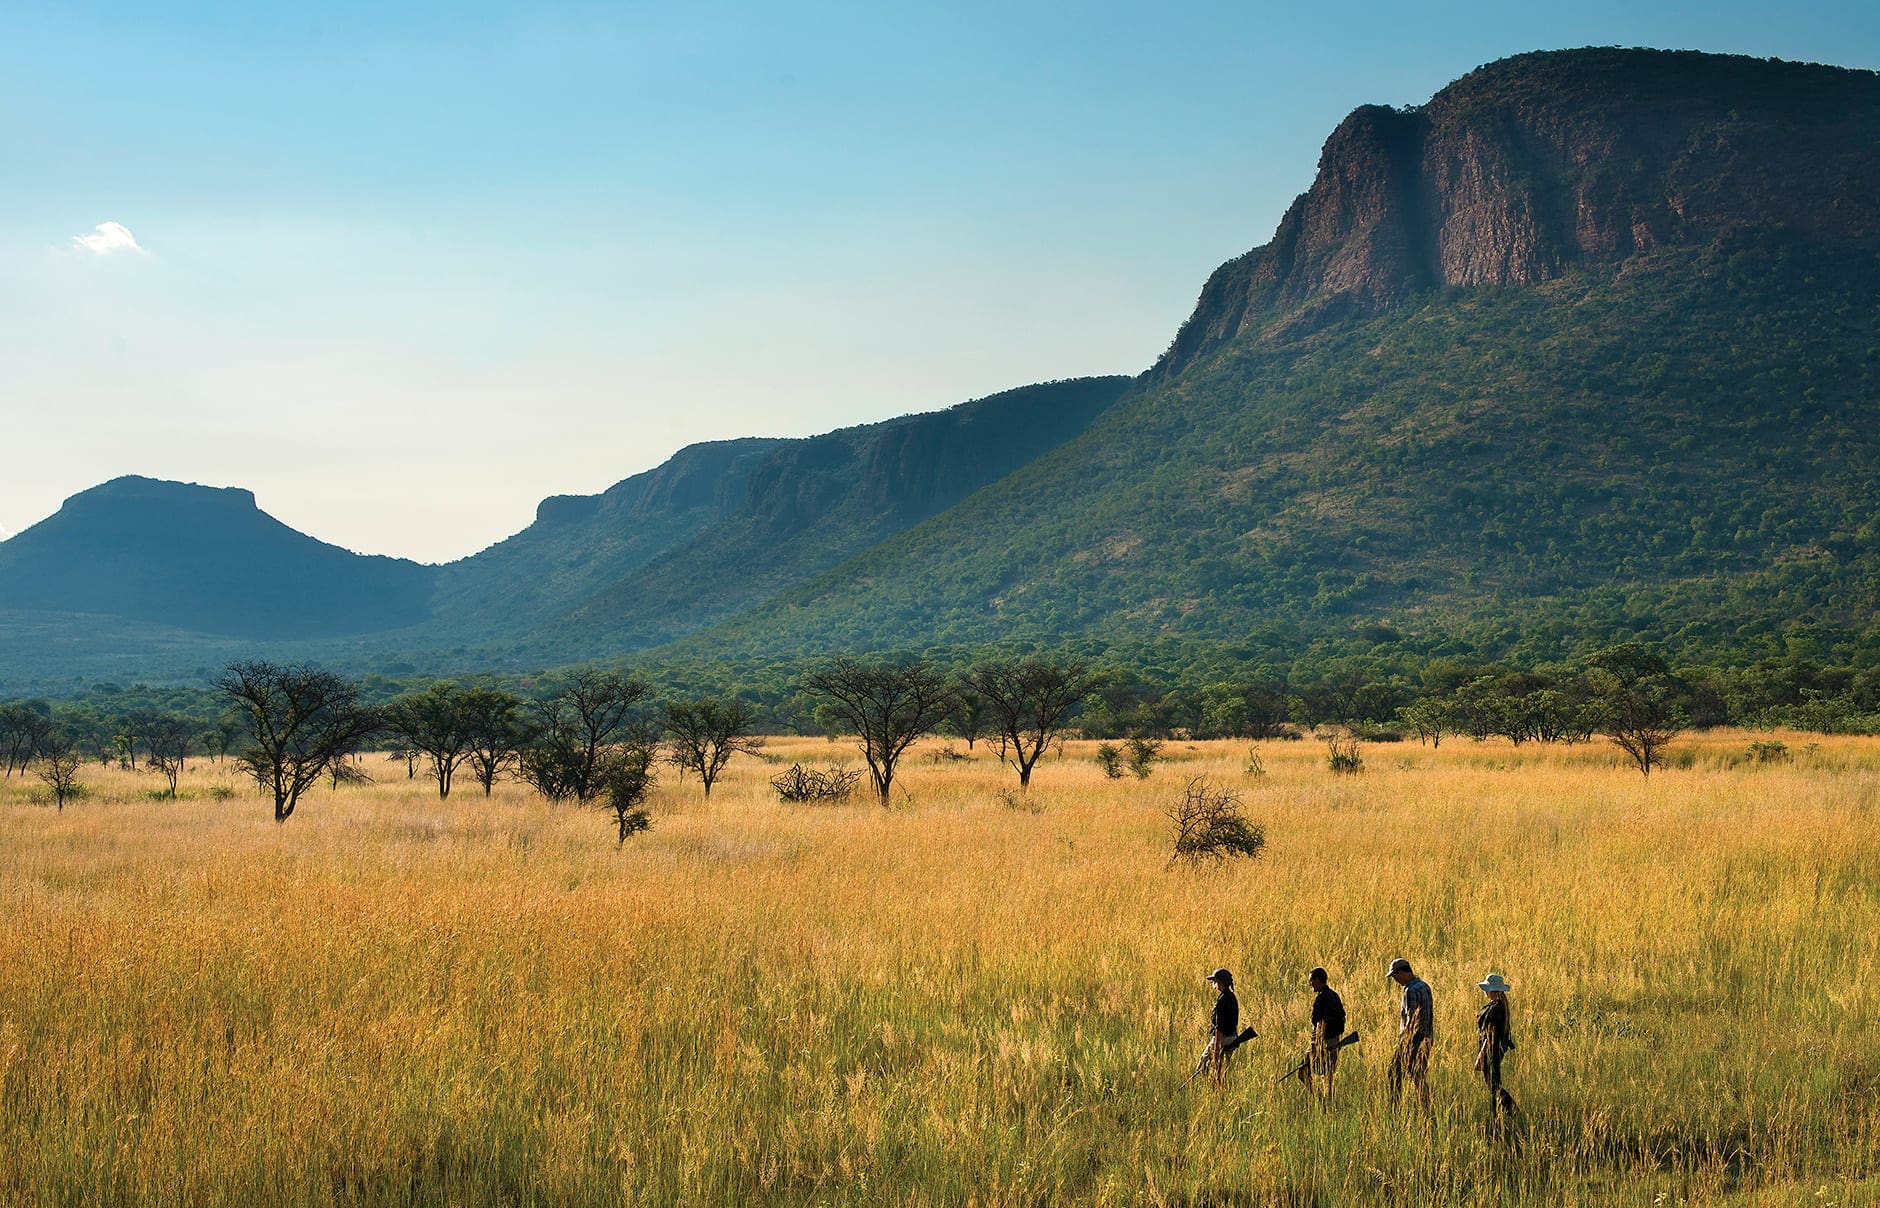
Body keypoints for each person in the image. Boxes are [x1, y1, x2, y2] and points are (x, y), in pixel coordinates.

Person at [1387, 957, 1433, 1110]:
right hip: (1426, 1038)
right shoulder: (1424, 986)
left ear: (1401, 972)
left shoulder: (1410, 990)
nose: (1395, 980)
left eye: (1395, 976)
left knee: (1393, 1073)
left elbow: (1411, 1020)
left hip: (1412, 1040)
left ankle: (1395, 1108)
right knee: (1418, 1076)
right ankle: (1426, 1108)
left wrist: (1404, 1043)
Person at [1475, 972, 1516, 1128]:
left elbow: (1490, 1035)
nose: (1486, 991)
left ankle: (1508, 1111)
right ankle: (1501, 1113)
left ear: (1494, 991)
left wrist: (1481, 1055)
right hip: (1495, 1050)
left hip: (1491, 1051)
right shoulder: (1498, 1006)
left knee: (1493, 1085)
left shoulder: (1496, 1008)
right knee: (1493, 1084)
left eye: (1488, 989)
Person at [1302, 967, 1345, 1104]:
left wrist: (1316, 1043)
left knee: (1302, 1070)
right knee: (1328, 1075)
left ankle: (1318, 1099)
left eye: (1311, 980)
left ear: (1317, 979)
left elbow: (1317, 1022)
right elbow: (1342, 1017)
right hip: (1335, 1040)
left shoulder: (1320, 998)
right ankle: (1328, 1102)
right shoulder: (1334, 995)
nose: (1310, 984)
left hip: (1321, 1042)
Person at [1206, 967, 1240, 1086]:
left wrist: (1216, 1051)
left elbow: (1219, 1028)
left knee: (1205, 1066)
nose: (1213, 984)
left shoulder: (1222, 1001)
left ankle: (1215, 1093)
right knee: (1222, 1072)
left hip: (1222, 1040)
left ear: (1220, 983)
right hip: (1232, 1039)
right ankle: (1222, 1094)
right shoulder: (1232, 997)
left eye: (1214, 981)